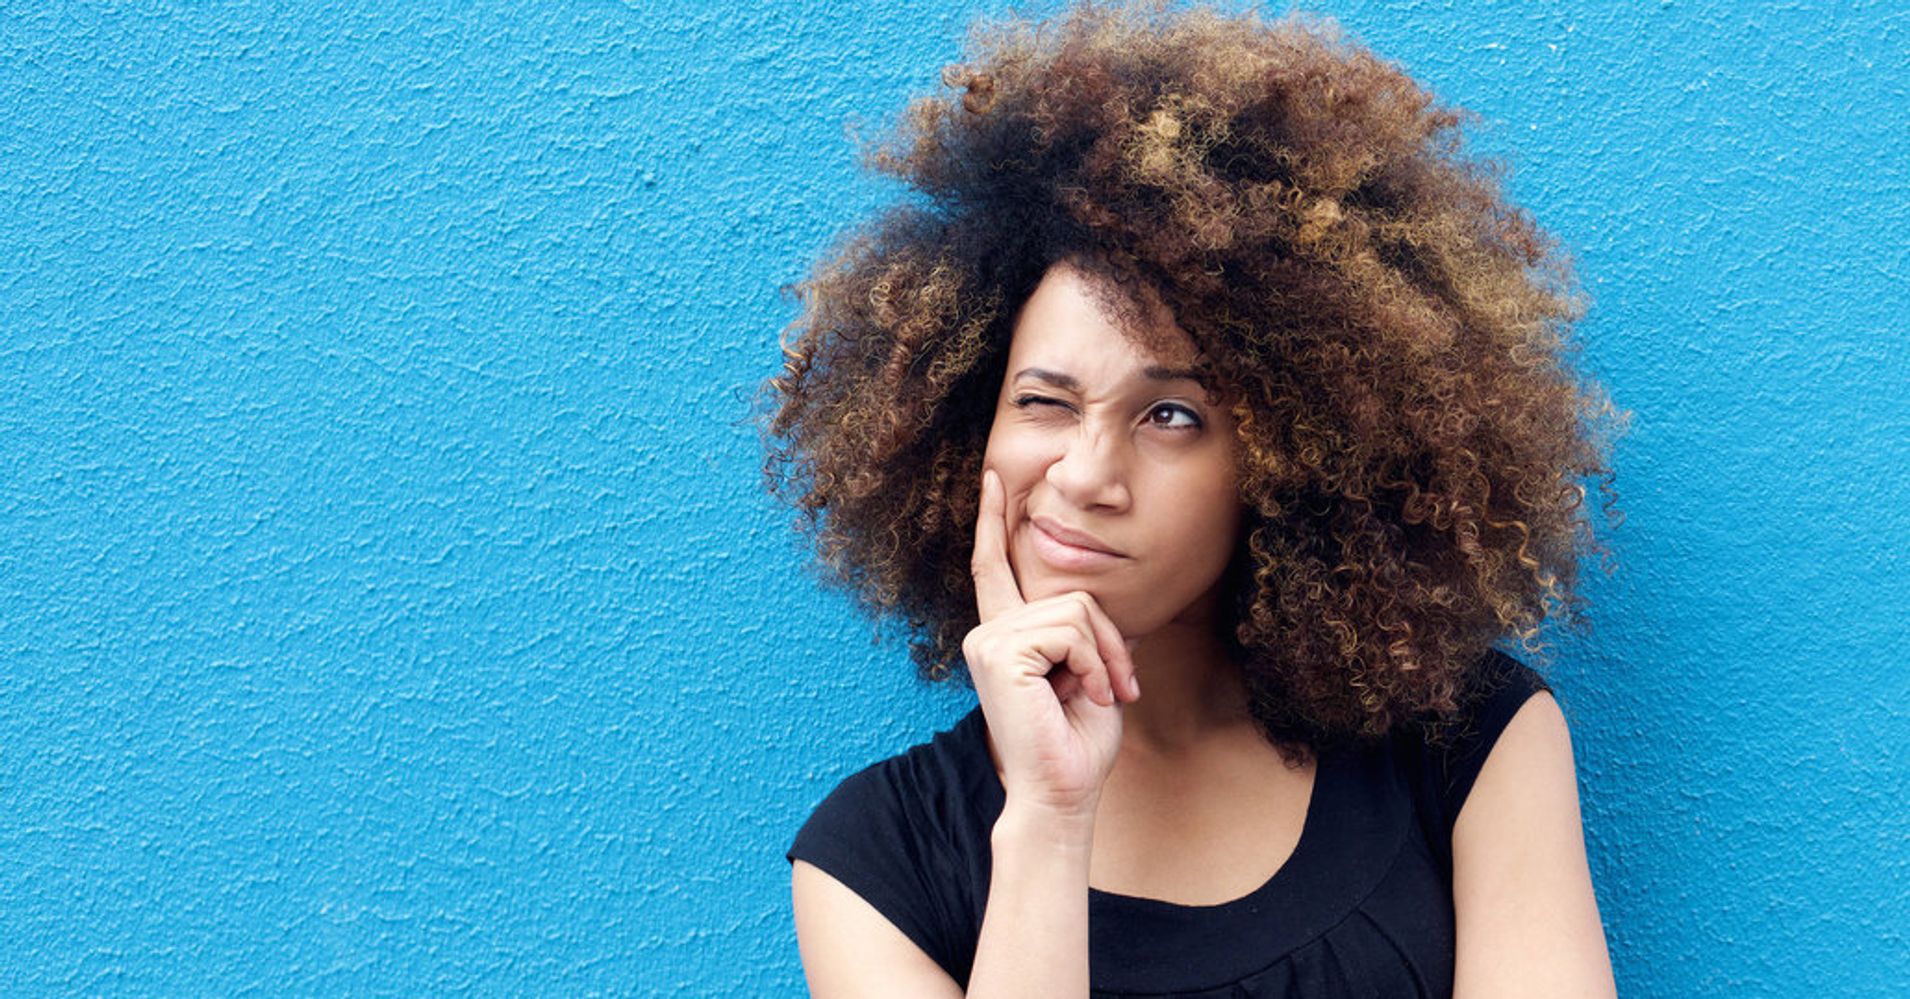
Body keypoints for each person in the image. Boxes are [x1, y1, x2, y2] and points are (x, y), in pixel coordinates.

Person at [763, 3, 1626, 995]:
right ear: (967, 430)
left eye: (1169, 415)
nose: (1085, 475)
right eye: (1043, 402)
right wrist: (1048, 816)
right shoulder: (876, 860)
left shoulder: (1467, 742)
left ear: (1287, 461)